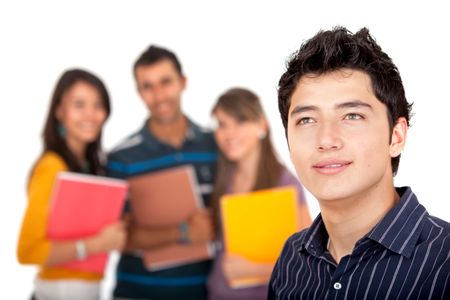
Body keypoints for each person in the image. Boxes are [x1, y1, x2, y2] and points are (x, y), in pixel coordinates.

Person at [268, 26, 450, 299]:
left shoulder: (444, 261)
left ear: (396, 136)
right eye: (306, 120)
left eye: (352, 116)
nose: (326, 139)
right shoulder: (291, 261)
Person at [106, 45, 218, 300]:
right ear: (139, 93)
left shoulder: (215, 146)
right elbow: (115, 238)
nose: (158, 96)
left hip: (201, 293)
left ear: (183, 82)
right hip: (136, 293)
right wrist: (184, 233)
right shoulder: (121, 157)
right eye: (148, 86)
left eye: (165, 82)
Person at [17, 69, 127, 300]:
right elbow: (27, 251)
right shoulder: (52, 167)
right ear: (59, 111)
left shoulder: (88, 165)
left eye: (98, 105)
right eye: (79, 104)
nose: (91, 114)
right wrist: (97, 244)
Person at [207, 88, 311, 300]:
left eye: (240, 122)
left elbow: (308, 262)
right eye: (222, 124)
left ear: (262, 125)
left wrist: (252, 271)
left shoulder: (285, 184)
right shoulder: (224, 179)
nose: (229, 134)